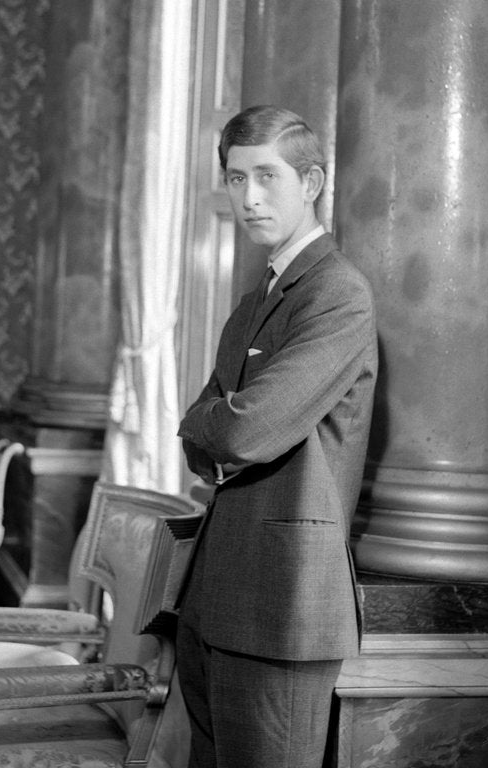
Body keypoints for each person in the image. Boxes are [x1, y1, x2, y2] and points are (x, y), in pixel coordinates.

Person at [176, 104, 378, 768]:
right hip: (215, 596)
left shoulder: (337, 293)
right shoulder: (253, 301)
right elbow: (201, 442)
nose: (249, 197)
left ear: (311, 183)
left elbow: (241, 430)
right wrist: (212, 424)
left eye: (267, 176)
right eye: (236, 179)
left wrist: (211, 420)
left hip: (282, 606)